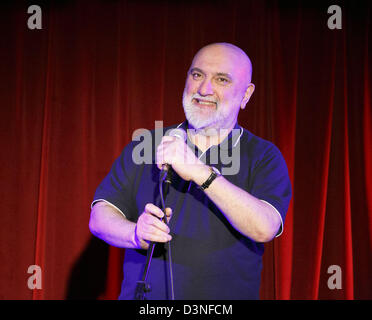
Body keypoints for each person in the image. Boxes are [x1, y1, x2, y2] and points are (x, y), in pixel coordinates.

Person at [89, 42, 292, 300]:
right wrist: (135, 234)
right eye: (197, 75)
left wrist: (199, 172)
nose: (204, 89)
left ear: (246, 94)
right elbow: (100, 216)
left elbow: (265, 227)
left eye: (221, 79)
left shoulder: (264, 156)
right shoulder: (147, 145)